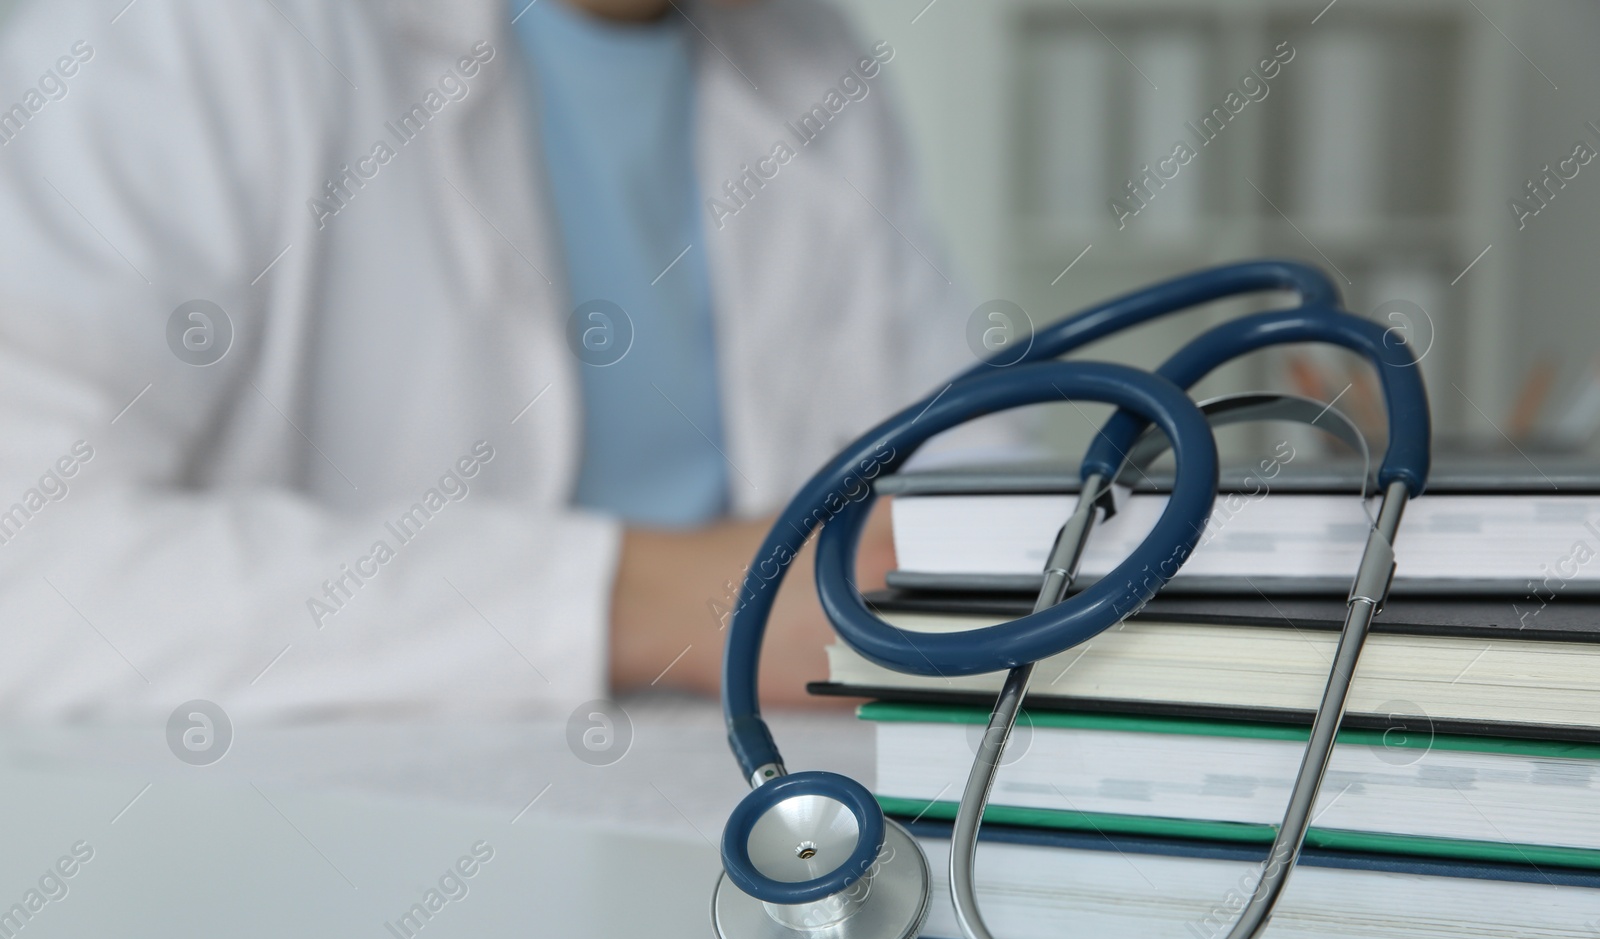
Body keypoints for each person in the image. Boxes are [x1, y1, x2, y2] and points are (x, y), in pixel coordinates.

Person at [0, 0, 977, 718]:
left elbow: (959, 505)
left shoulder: (812, 60)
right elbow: (28, 577)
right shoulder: (191, 35)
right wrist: (654, 597)